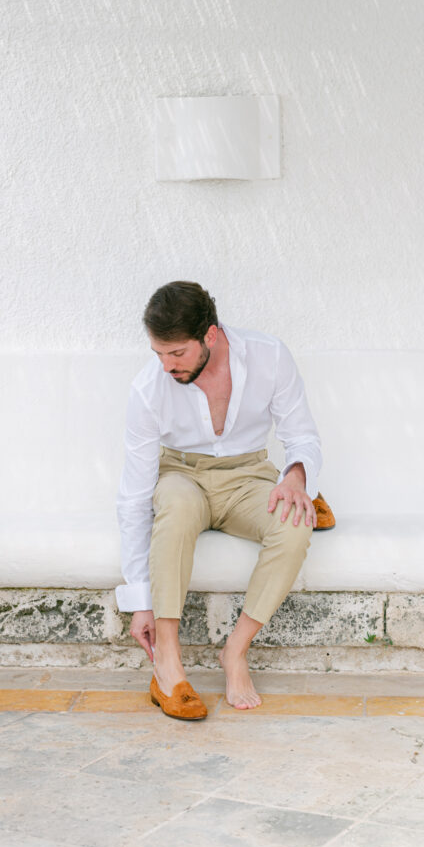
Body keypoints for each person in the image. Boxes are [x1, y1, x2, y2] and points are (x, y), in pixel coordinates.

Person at [115, 281, 322, 719]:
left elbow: (300, 434)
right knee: (176, 506)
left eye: (177, 354)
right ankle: (167, 664)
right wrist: (139, 602)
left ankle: (235, 652)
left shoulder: (269, 356)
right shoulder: (149, 388)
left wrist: (297, 476)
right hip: (181, 475)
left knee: (295, 523)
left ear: (209, 335)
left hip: (248, 474)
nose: (166, 365)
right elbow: (134, 497)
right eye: (158, 354)